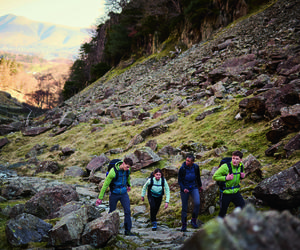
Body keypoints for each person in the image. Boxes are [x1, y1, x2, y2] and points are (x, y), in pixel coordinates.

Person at [95, 157, 134, 236]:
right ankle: (110, 231)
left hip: (123, 193)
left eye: (129, 167)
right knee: (112, 212)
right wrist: (100, 198)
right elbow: (105, 185)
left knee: (127, 211)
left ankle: (128, 231)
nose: (128, 169)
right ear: (123, 163)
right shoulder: (113, 172)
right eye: (127, 167)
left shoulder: (127, 170)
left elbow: (127, 177)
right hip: (114, 194)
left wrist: (129, 185)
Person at [212, 150, 245, 218]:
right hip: (225, 193)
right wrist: (226, 178)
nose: (234, 160)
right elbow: (214, 177)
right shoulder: (225, 166)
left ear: (241, 160)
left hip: (235, 192)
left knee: (243, 207)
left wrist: (242, 177)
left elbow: (240, 176)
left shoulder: (241, 166)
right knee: (223, 211)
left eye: (237, 159)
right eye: (233, 158)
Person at [178, 154, 202, 232]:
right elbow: (179, 181)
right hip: (185, 188)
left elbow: (198, 177)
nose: (187, 162)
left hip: (194, 187)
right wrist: (183, 188)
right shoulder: (182, 169)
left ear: (192, 162)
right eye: (186, 160)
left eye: (189, 161)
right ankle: (184, 224)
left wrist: (200, 186)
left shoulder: (196, 167)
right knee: (184, 207)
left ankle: (193, 220)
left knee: (197, 203)